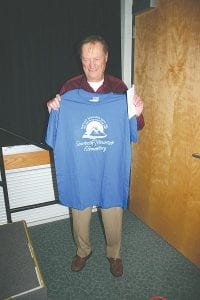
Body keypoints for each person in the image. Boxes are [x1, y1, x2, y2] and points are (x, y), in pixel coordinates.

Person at [46, 35, 144, 277]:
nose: (92, 64)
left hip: (110, 165)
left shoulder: (120, 89)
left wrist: (138, 112)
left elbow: (135, 128)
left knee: (113, 210)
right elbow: (55, 133)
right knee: (79, 210)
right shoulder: (69, 89)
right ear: (81, 60)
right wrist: (53, 109)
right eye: (86, 59)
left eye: (96, 58)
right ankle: (83, 250)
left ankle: (114, 254)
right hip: (80, 165)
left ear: (106, 58)